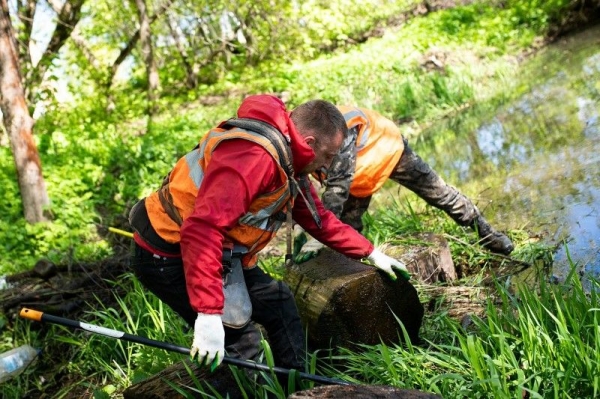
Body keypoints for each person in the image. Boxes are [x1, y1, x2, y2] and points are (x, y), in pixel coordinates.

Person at [127, 95, 409, 374]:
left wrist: (371, 253)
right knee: (242, 343)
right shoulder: (253, 159)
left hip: (221, 251)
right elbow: (202, 229)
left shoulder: (289, 163)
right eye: (328, 157)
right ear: (310, 144)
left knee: (279, 302)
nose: (326, 166)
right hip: (168, 252)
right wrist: (209, 312)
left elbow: (318, 219)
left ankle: (297, 389)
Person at [295, 105, 514, 263]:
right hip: (359, 177)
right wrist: (303, 226)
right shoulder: (302, 141)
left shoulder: (336, 132)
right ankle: (350, 270)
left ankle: (489, 236)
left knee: (440, 194)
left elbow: (337, 187)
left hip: (389, 150)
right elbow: (304, 185)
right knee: (348, 225)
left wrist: (318, 232)